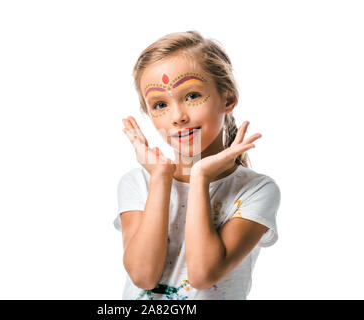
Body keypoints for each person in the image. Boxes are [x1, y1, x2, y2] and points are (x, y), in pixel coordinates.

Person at [113, 30, 281, 300]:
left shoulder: (256, 190)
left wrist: (200, 177)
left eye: (191, 96)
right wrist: (160, 179)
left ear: (227, 99)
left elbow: (203, 274)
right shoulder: (139, 183)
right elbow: (143, 275)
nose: (177, 116)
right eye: (160, 104)